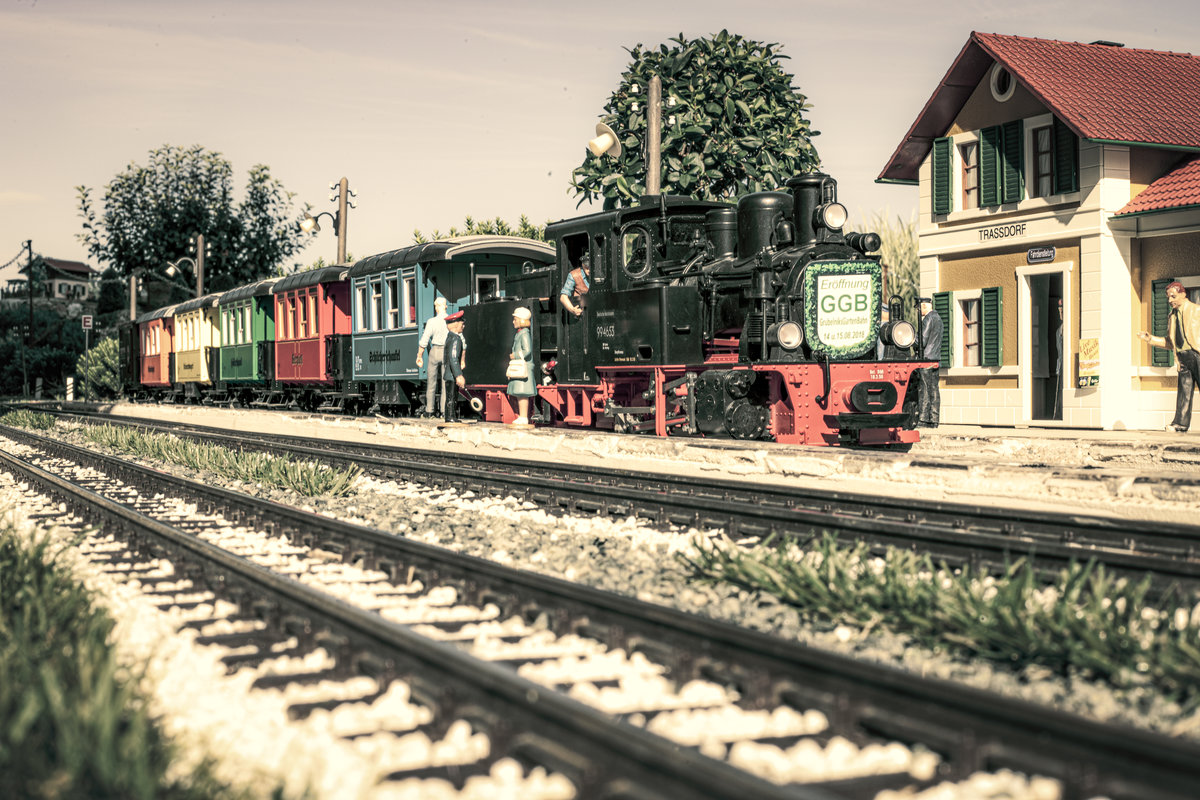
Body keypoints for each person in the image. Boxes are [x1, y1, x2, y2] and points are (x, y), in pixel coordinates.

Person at [1138, 281, 1200, 432]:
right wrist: (1150, 339)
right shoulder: (1172, 316)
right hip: (1182, 357)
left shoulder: (1196, 310)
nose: (1170, 300)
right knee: (1184, 393)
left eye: (1173, 296)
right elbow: (1170, 342)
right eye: (1168, 297)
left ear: (1183, 294)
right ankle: (1180, 424)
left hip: (1197, 354)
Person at [416, 296, 448, 417]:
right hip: (446, 351)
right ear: (445, 306)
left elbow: (424, 340)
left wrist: (419, 355)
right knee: (445, 383)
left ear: (436, 307)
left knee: (431, 383)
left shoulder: (431, 321)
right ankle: (444, 411)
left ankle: (429, 411)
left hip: (434, 351)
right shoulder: (450, 320)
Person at [917, 297, 943, 428]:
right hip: (936, 358)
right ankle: (934, 419)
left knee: (924, 389)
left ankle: (923, 419)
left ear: (924, 306)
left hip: (926, 359)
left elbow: (922, 340)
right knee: (934, 389)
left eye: (919, 307)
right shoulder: (938, 318)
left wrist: (913, 341)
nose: (919, 310)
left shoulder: (928, 318)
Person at [507, 307, 535, 425]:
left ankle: (523, 417)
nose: (513, 322)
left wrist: (516, 356)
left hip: (524, 367)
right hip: (521, 366)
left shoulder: (524, 334)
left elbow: (527, 350)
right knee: (520, 393)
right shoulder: (520, 333)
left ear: (521, 320)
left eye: (515, 319)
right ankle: (522, 416)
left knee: (522, 393)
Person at [442, 310, 466, 423]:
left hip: (448, 373)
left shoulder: (449, 337)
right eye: (462, 323)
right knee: (452, 396)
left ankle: (450, 416)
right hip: (452, 374)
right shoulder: (456, 339)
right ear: (456, 324)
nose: (463, 325)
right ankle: (450, 416)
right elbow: (453, 358)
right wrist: (458, 375)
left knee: (450, 396)